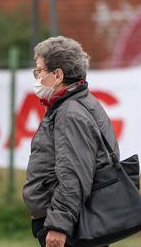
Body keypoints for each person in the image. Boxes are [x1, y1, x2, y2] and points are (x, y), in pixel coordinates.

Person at [22, 36, 118, 247]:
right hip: (72, 220)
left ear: (57, 75)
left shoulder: (70, 112)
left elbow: (73, 173)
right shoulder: (78, 103)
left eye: (39, 71)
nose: (36, 78)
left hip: (70, 226)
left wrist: (59, 225)